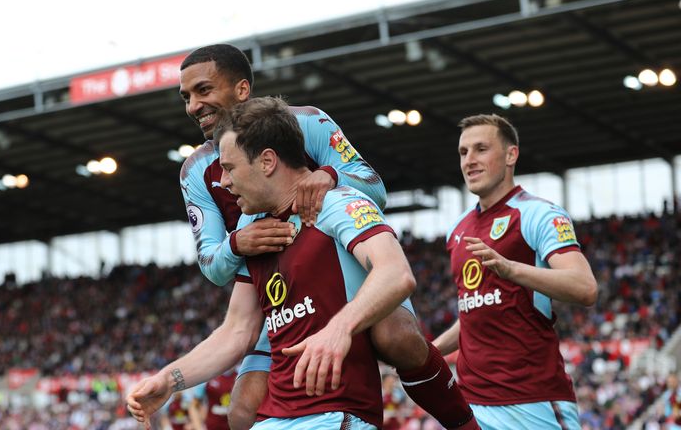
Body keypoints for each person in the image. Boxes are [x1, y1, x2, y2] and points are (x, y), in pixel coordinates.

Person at [178, 44, 477, 430]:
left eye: (203, 90)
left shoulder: (310, 123)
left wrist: (331, 176)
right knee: (242, 411)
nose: (193, 105)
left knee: (396, 337)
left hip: (340, 272)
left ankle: (466, 424)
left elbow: (375, 188)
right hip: (277, 296)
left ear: (241, 89)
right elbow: (212, 265)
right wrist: (238, 243)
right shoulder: (195, 171)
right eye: (186, 97)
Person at [127, 96, 416, 429]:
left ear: (266, 161)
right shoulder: (252, 232)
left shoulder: (335, 201)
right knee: (241, 411)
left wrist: (340, 327)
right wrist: (169, 379)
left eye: (230, 167)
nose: (222, 181)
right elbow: (237, 330)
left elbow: (396, 271)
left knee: (399, 337)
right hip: (278, 418)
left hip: (334, 415)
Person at [433, 114, 598, 430]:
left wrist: (510, 269)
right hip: (472, 405)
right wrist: (430, 353)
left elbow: (585, 287)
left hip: (533, 403)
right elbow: (474, 312)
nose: (470, 160)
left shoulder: (539, 214)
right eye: (463, 152)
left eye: (481, 149)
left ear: (511, 155)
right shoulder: (457, 228)